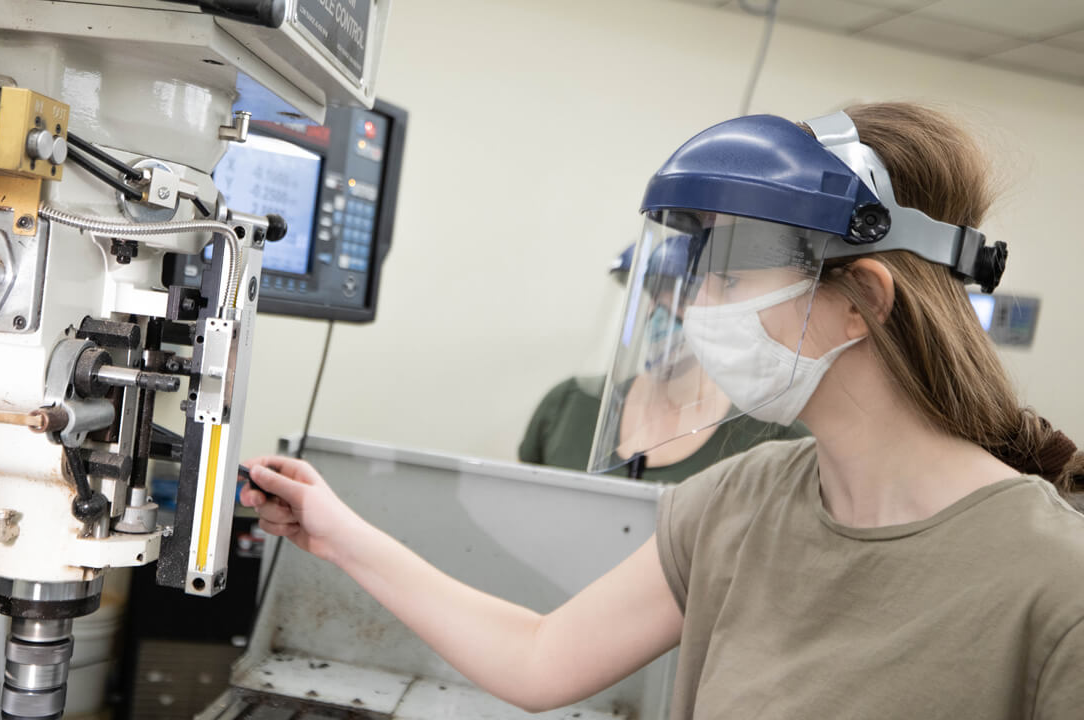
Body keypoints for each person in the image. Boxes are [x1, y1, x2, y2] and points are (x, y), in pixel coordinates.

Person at [242, 102, 1084, 718]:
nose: (696, 309)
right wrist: (335, 532)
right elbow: (540, 659)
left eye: (725, 274)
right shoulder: (742, 499)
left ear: (861, 297)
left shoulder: (1054, 585)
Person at [520, 242, 806, 482]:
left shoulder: (771, 434)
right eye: (652, 297)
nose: (658, 314)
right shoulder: (568, 408)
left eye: (682, 297)